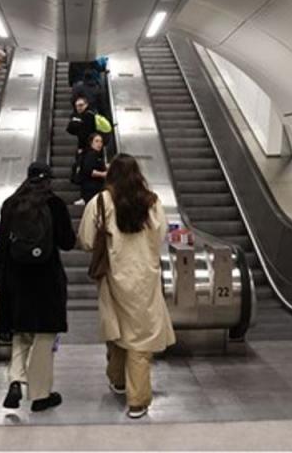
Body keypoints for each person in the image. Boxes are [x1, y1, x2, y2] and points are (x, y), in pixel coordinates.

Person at [77, 154, 175, 419]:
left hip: (113, 277)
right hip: (145, 277)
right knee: (140, 338)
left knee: (117, 328)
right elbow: (162, 234)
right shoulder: (152, 202)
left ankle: (118, 379)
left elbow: (86, 240)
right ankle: (138, 401)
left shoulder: (100, 202)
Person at [0, 161, 76, 412]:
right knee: (44, 335)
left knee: (21, 332)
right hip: (46, 279)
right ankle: (40, 395)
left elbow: (1, 248)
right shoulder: (55, 204)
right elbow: (67, 242)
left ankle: (16, 381)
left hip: (16, 279)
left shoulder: (10, 204)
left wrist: (0, 281)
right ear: (49, 180)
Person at [66, 96, 98, 183]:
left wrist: (81, 148)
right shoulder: (78, 115)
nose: (78, 108)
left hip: (89, 147)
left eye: (81, 105)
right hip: (87, 146)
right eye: (77, 106)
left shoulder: (89, 116)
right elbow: (70, 130)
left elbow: (85, 134)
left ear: (86, 104)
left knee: (86, 166)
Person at [77, 133, 106, 205]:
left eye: (101, 141)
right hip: (91, 189)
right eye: (96, 141)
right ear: (91, 143)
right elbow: (88, 171)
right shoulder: (91, 154)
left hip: (91, 189)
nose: (99, 144)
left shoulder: (94, 154)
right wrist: (103, 174)